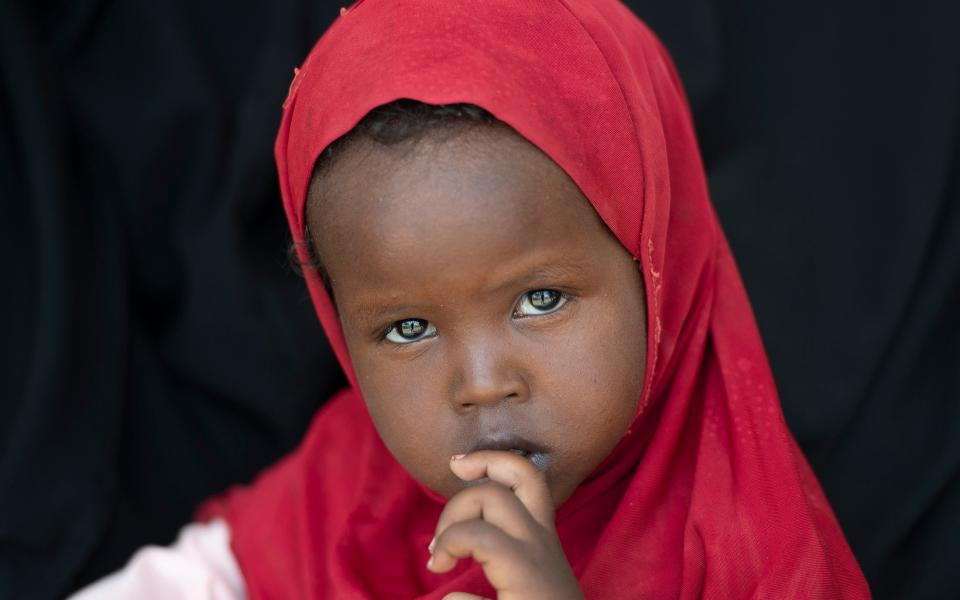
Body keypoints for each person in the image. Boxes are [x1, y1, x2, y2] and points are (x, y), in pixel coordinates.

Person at [71, 0, 871, 598]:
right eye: (409, 327)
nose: (483, 383)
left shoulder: (754, 546)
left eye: (542, 299)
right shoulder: (352, 485)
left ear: (656, 265)